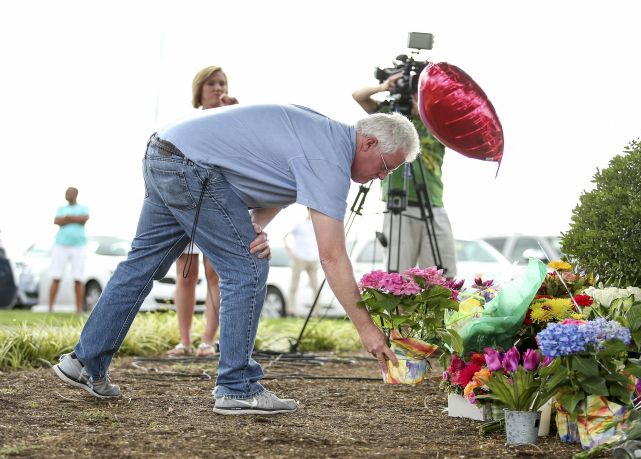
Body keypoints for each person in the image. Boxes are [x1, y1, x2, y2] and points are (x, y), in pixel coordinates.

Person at [52, 104, 419, 416]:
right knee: (248, 265)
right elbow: (332, 255)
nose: (382, 177)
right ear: (369, 143)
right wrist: (367, 330)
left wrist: (256, 224)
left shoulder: (323, 135)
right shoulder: (331, 158)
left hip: (164, 153)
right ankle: (237, 387)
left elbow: (279, 178)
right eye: (386, 166)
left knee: (140, 265)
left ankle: (84, 362)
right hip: (192, 167)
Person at [352, 73, 458, 278]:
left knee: (440, 275)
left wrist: (429, 112)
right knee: (399, 276)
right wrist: (383, 87)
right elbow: (358, 96)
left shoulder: (438, 121)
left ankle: (433, 309)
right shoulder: (392, 119)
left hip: (433, 203)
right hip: (399, 203)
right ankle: (400, 310)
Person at [167, 66, 239, 358]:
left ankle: (208, 340)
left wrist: (235, 115)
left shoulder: (233, 117)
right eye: (211, 83)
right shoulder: (187, 121)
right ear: (200, 88)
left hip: (217, 202)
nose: (218, 88)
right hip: (186, 202)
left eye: (222, 83)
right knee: (185, 274)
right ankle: (184, 341)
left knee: (214, 275)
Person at [48, 187, 89, 313]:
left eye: (68, 193)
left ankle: (79, 309)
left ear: (75, 194)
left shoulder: (83, 208)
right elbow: (57, 220)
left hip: (78, 246)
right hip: (61, 245)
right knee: (56, 275)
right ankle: (50, 307)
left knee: (78, 277)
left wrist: (67, 218)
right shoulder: (61, 209)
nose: (66, 195)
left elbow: (84, 219)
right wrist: (73, 219)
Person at [284, 209, 320, 316]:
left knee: (316, 287)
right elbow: (285, 236)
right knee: (294, 285)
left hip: (313, 259)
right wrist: (291, 253)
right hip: (300, 259)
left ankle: (317, 311)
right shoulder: (299, 225)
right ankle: (291, 310)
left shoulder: (316, 226)